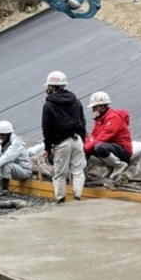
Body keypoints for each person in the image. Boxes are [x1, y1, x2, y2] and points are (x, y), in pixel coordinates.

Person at [41, 69, 86, 203]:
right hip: (77, 139)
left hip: (61, 142)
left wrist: (47, 147)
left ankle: (60, 200)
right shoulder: (76, 101)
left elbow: (47, 129)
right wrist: (82, 138)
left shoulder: (48, 106)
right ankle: (77, 197)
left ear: (52, 87)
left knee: (59, 173)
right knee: (78, 170)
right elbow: (82, 121)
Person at [84, 91, 132, 181]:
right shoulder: (99, 120)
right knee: (87, 149)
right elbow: (94, 136)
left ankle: (119, 165)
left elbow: (104, 137)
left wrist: (86, 147)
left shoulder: (113, 118)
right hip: (111, 148)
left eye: (94, 108)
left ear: (101, 107)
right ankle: (109, 166)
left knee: (99, 147)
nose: (92, 110)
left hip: (122, 151)